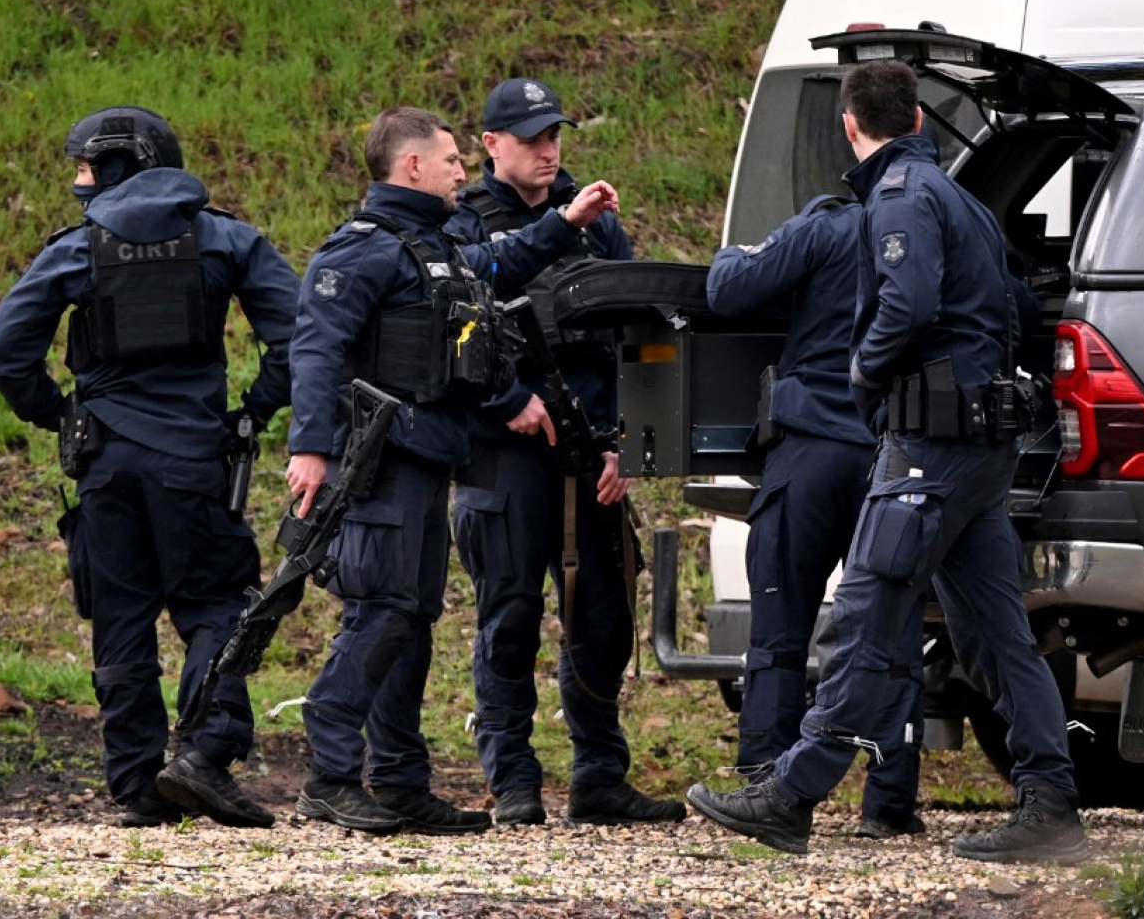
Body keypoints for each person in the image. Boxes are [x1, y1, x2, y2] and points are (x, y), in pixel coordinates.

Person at [687, 59, 1088, 864]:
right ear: (916, 119)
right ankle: (1051, 802)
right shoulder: (968, 202)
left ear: (849, 123)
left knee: (867, 611)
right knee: (997, 635)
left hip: (929, 449)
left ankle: (792, 794)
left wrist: (865, 374)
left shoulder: (899, 197)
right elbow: (1013, 308)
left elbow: (905, 305)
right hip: (977, 452)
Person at [285, 106, 621, 835]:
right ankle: (330, 773)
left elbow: (498, 267)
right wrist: (309, 447)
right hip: (378, 462)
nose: (462, 170)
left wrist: (565, 222)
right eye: (450, 161)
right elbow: (314, 349)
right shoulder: (362, 251)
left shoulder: (430, 247)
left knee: (411, 617)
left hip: (426, 457)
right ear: (412, 167)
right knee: (380, 612)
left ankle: (401, 782)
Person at [0, 105, 300, 829]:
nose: (76, 181)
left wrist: (54, 411)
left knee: (120, 619)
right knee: (216, 605)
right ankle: (205, 755)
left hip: (104, 463)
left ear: (124, 162)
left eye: (85, 168)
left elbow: (5, 348)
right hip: (192, 458)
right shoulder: (226, 238)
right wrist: (255, 411)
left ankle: (137, 785)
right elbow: (298, 336)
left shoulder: (76, 249)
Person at [447, 77, 686, 827]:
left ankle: (598, 775)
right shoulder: (463, 224)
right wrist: (505, 400)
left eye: (555, 136)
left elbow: (637, 330)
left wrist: (626, 444)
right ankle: (513, 776)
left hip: (589, 447)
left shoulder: (592, 220)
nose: (549, 151)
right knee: (510, 612)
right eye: (532, 139)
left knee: (603, 614)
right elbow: (450, 331)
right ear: (491, 145)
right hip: (505, 445)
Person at [705, 192, 925, 840]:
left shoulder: (826, 226)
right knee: (891, 631)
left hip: (808, 451)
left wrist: (735, 250)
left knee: (780, 625)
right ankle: (888, 803)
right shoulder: (927, 232)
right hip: (889, 455)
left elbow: (727, 288)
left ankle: (765, 786)